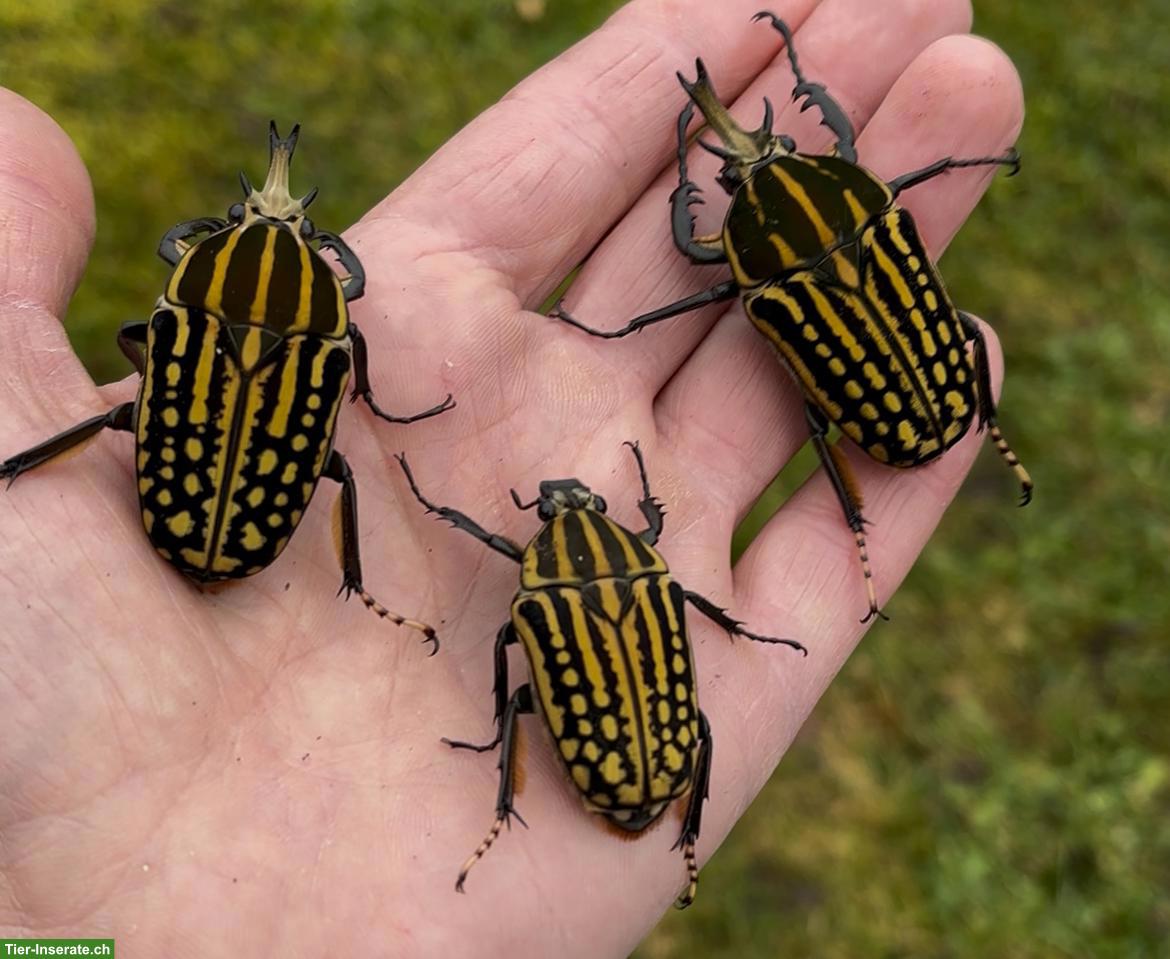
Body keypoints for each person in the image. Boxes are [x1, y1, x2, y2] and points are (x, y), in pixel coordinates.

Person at [0, 0, 1022, 954]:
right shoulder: (332, 349)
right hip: (271, 512)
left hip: (196, 496)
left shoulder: (205, 328)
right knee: (357, 480)